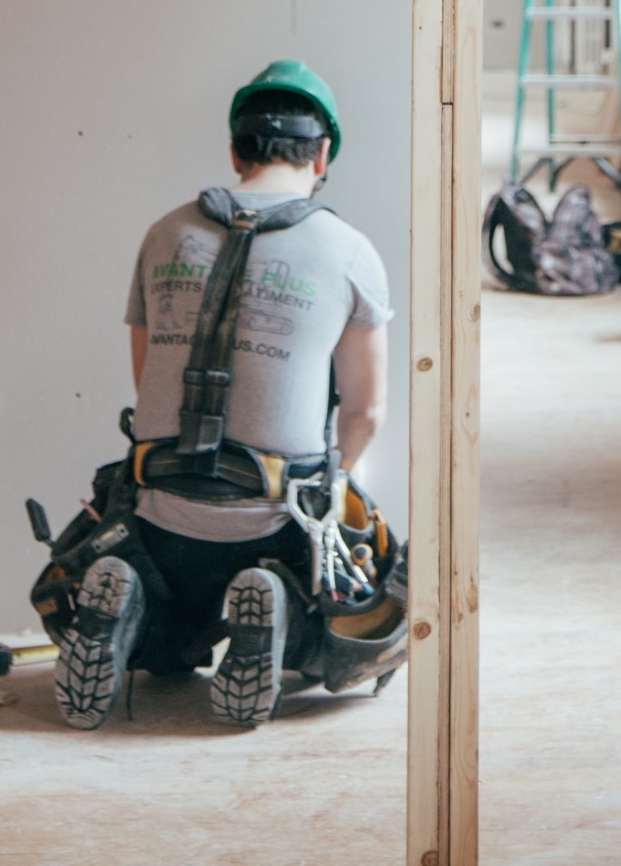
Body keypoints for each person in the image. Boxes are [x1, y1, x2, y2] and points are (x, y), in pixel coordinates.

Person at [53, 60, 395, 730]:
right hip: (271, 519)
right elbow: (364, 412)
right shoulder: (350, 250)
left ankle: (138, 615)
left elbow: (147, 380)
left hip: (157, 519)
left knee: (168, 642)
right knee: (368, 601)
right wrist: (335, 488)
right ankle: (278, 603)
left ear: (236, 151)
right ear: (322, 154)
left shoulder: (165, 234)